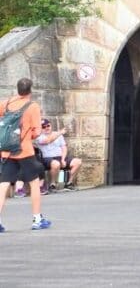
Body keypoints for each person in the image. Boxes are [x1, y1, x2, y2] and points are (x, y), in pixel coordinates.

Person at [0, 78, 52, 231]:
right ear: (30, 90)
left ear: (17, 89)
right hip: (25, 151)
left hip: (8, 150)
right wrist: (27, 134)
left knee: (3, 185)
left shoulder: (6, 103)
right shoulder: (32, 106)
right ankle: (37, 219)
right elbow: (37, 131)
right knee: (34, 183)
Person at [35, 119, 81, 192]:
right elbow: (47, 141)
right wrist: (60, 133)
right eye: (43, 127)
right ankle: (52, 184)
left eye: (48, 126)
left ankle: (69, 183)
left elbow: (64, 147)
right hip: (47, 158)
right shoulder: (39, 136)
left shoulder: (57, 134)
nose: (46, 128)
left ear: (50, 125)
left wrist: (63, 159)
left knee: (77, 162)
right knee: (56, 164)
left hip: (60, 157)